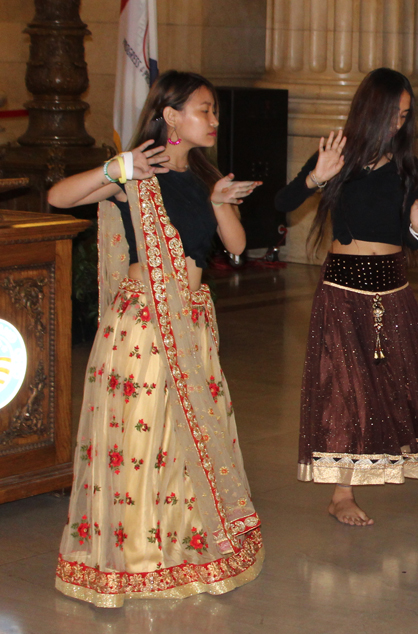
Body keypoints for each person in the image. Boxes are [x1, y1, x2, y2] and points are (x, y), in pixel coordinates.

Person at [49, 70, 264, 607]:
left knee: (185, 441)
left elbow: (236, 243)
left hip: (190, 322)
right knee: (142, 443)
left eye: (214, 111)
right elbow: (58, 197)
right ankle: (137, 558)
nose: (214, 120)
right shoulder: (138, 172)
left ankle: (182, 547)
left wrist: (219, 199)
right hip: (143, 326)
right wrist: (114, 168)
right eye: (204, 110)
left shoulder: (203, 176)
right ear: (171, 115)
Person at [275, 67, 418, 526]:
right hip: (341, 287)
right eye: (393, 115)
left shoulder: (406, 169)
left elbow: (409, 238)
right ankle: (342, 493)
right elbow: (283, 204)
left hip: (392, 287)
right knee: (346, 389)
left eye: (405, 117)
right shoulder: (335, 154)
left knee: (415, 381)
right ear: (371, 110)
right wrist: (315, 180)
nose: (399, 125)